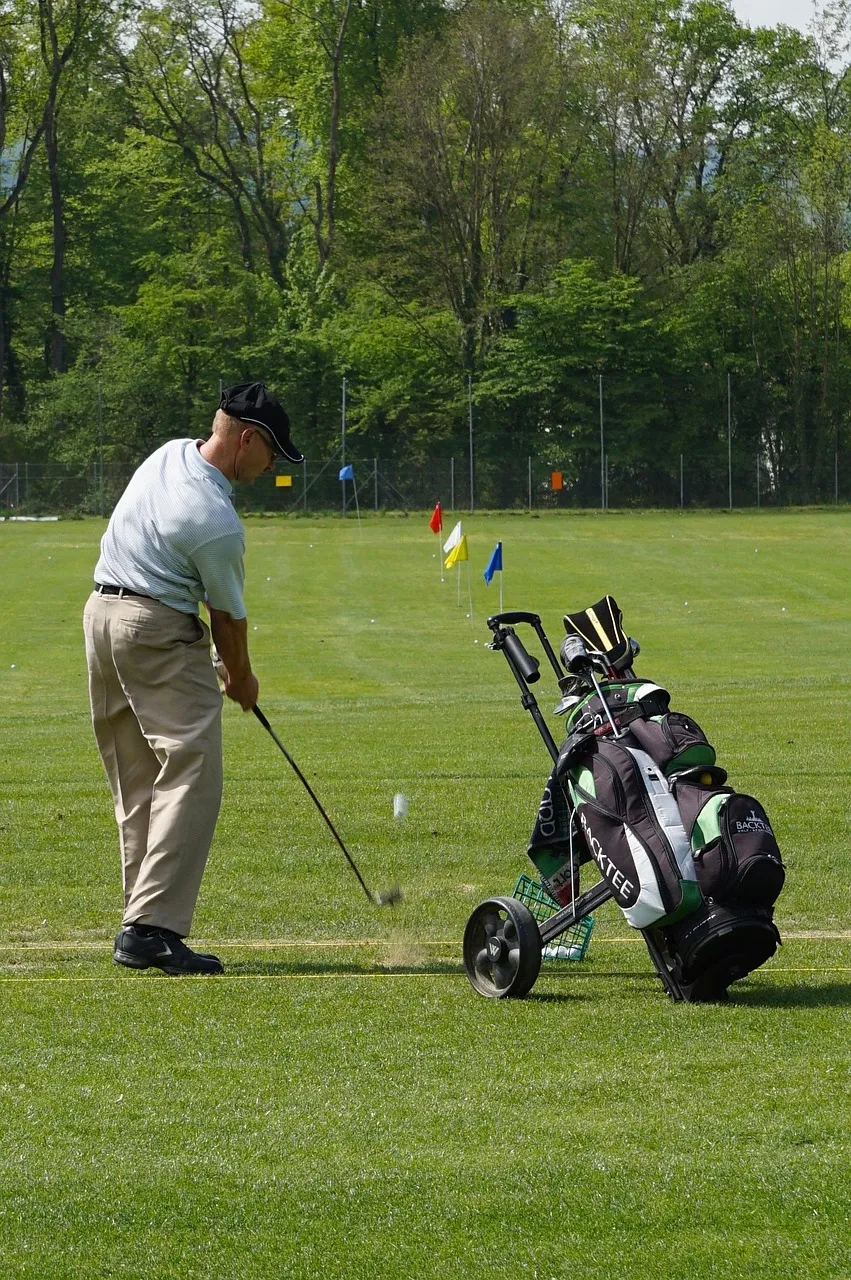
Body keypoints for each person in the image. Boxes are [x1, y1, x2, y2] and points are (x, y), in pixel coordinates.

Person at [83, 382, 303, 975]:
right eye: (273, 453)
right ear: (248, 438)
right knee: (193, 765)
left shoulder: (169, 454)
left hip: (101, 617)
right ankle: (151, 927)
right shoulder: (214, 517)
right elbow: (228, 619)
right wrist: (242, 679)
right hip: (153, 628)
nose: (272, 464)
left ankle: (140, 917)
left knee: (139, 779)